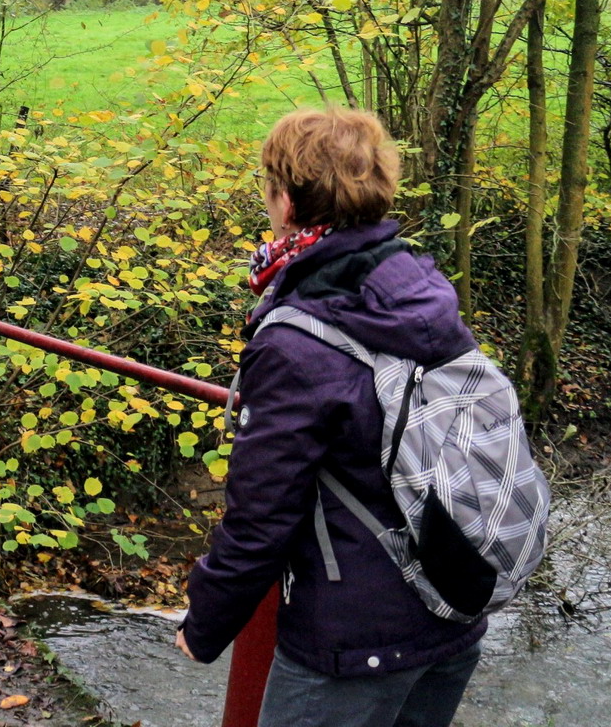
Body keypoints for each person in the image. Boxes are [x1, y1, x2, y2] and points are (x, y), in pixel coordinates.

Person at [176, 108, 489, 727]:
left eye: (268, 187)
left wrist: (205, 622)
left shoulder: (296, 341)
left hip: (351, 644)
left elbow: (262, 515)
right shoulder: (417, 287)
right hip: (454, 602)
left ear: (287, 201)